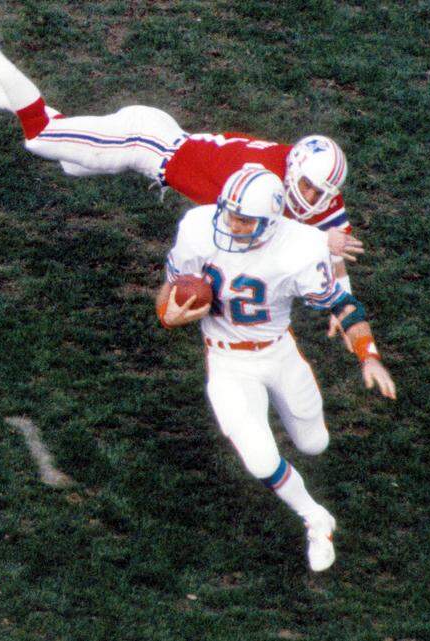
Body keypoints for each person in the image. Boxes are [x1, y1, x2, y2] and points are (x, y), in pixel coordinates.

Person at [0, 25, 364, 329]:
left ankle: (0, 94)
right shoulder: (258, 175)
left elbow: (336, 251)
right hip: (143, 143)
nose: (313, 197)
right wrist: (318, 243)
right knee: (41, 137)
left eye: (320, 192)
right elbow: (268, 231)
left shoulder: (316, 186)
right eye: (309, 186)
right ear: (294, 167)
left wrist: (340, 303)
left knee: (71, 162)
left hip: (159, 142)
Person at [153, 165, 394, 571]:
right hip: (227, 360)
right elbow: (171, 289)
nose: (232, 225)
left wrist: (368, 355)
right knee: (261, 460)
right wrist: (167, 313)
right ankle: (315, 518)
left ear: (271, 221)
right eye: (230, 213)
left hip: (279, 353)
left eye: (245, 219)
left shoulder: (298, 248)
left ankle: (310, 487)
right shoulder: (198, 227)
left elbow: (344, 305)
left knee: (314, 444)